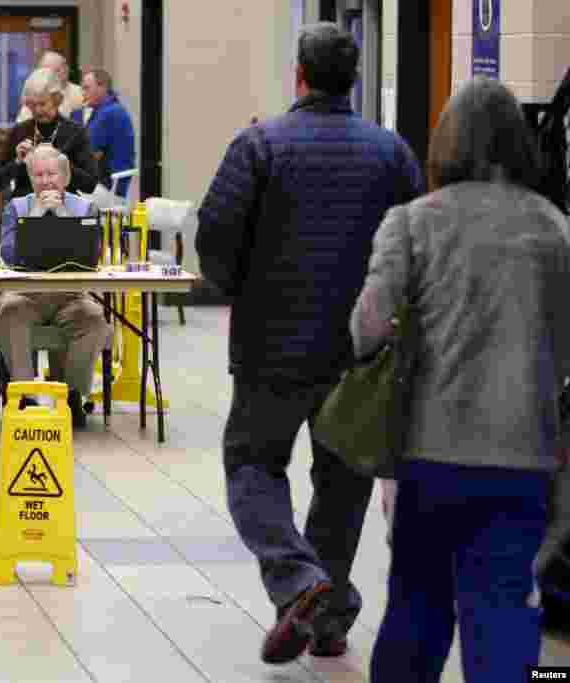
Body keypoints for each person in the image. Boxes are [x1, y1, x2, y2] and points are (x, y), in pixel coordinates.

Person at [194, 22, 423, 664]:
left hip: (271, 348)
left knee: (252, 464)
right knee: (343, 481)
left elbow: (214, 235)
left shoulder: (259, 145)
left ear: (299, 74)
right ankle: (328, 618)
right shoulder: (392, 153)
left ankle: (299, 579)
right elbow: (412, 246)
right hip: (357, 351)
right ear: (352, 79)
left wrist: (242, 286)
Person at [353, 76, 570, 683]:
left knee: (417, 607)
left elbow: (367, 328)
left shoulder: (414, 223)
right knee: (502, 610)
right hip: (524, 453)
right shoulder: (555, 228)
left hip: (429, 450)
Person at [0, 144, 108, 429]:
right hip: (25, 294)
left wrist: (62, 216)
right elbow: (8, 254)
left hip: (70, 296)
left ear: (66, 177)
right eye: (38, 175)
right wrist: (34, 214)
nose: (46, 181)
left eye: (51, 174)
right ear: (30, 179)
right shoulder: (16, 207)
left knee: (94, 319)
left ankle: (70, 396)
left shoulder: (85, 207)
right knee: (8, 311)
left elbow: (93, 256)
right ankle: (26, 396)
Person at [0, 67, 98, 203]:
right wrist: (17, 162)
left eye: (42, 104)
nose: (38, 110)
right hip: (25, 209)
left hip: (64, 207)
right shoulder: (19, 132)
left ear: (57, 100)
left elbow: (90, 185)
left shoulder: (75, 132)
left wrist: (63, 165)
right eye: (32, 105)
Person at [78, 68, 135, 198]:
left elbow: (89, 153)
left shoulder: (108, 114)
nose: (83, 94)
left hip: (109, 188)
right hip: (112, 185)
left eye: (87, 88)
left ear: (102, 87)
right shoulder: (108, 109)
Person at [16, 50, 83, 123]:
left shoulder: (80, 93)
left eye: (57, 71)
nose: (47, 75)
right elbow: (22, 123)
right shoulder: (33, 94)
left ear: (66, 70)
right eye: (43, 72)